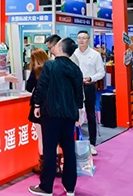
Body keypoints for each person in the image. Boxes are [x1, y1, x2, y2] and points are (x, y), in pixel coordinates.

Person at [28, 38, 84, 196]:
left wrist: (37, 105)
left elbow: (41, 87)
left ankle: (46, 187)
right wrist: (78, 112)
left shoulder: (50, 65)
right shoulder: (75, 69)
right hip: (69, 115)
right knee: (69, 150)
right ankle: (70, 187)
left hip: (51, 114)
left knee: (50, 149)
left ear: (60, 48)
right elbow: (79, 93)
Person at [73, 30, 104, 156]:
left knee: (91, 115)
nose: (81, 40)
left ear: (89, 40)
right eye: (79, 38)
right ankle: (75, 142)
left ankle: (92, 143)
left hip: (89, 86)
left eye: (84, 38)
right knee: (75, 114)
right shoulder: (73, 54)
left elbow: (101, 72)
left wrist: (91, 78)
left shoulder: (95, 55)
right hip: (75, 87)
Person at [26, 47, 52, 175]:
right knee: (53, 137)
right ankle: (55, 165)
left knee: (41, 137)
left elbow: (28, 87)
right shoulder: (52, 68)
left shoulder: (35, 71)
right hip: (52, 106)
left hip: (39, 106)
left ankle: (42, 165)